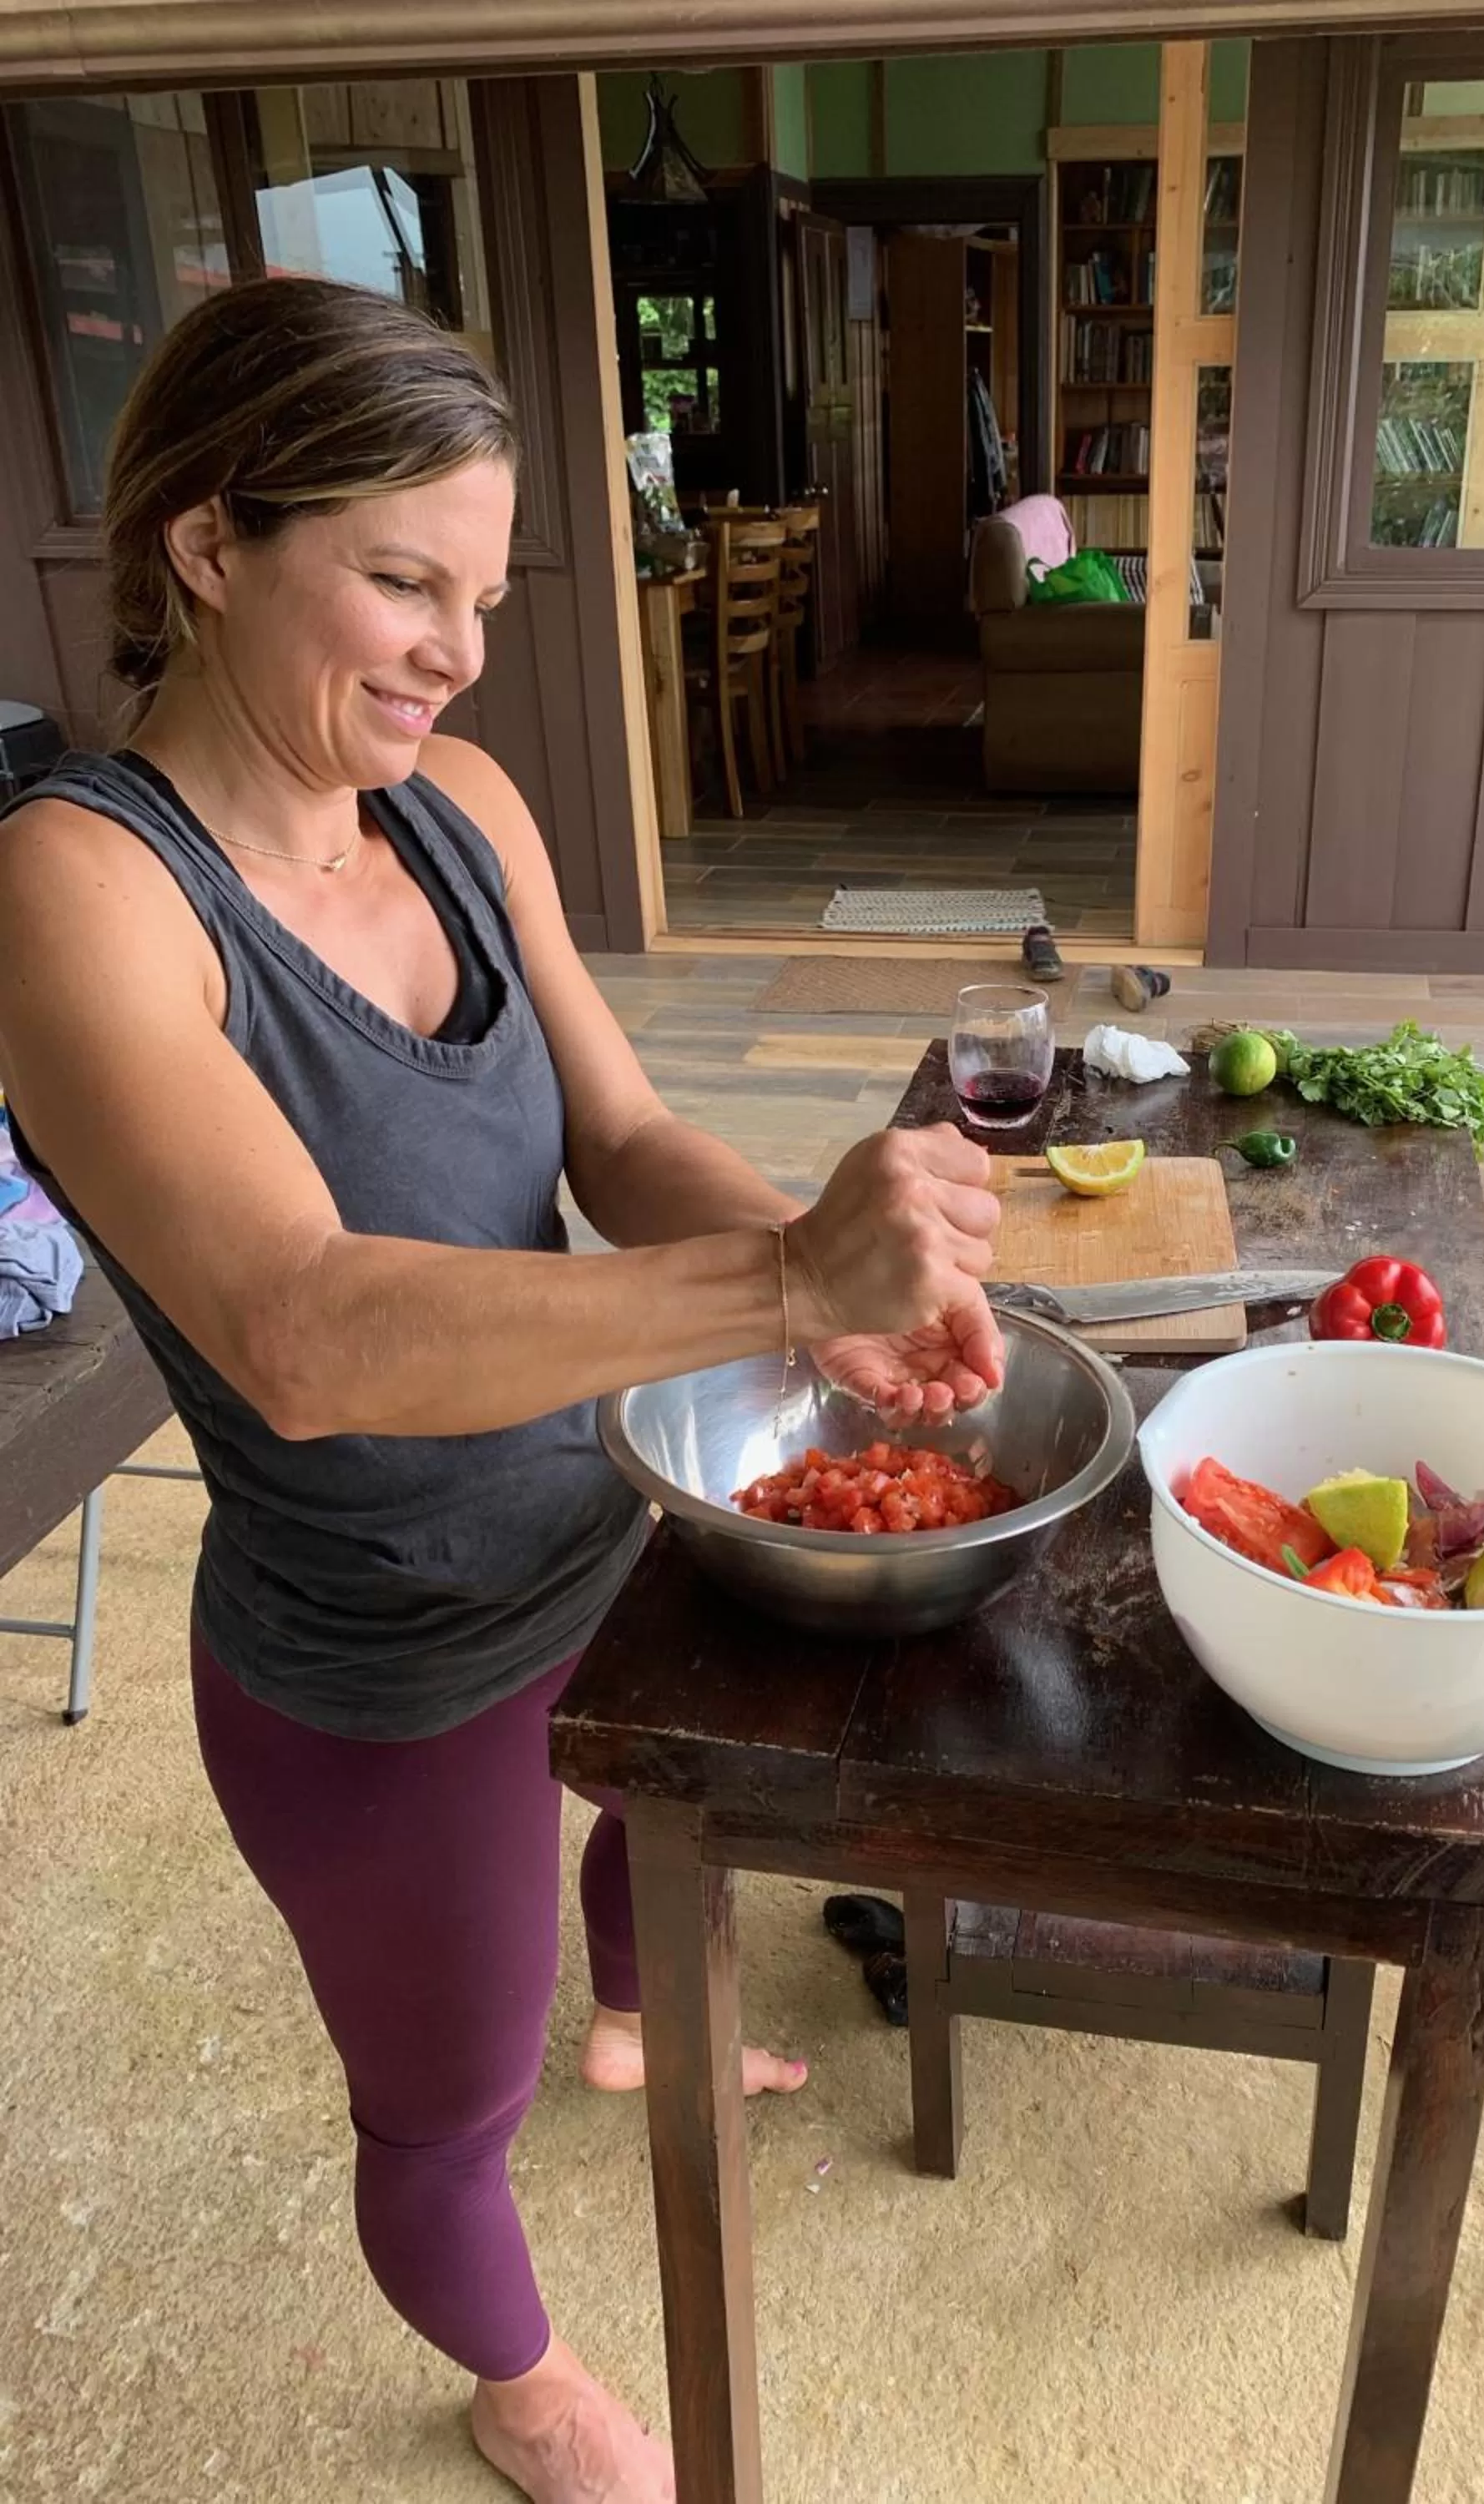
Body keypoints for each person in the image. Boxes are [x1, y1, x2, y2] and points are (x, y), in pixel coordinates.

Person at [0, 276, 1006, 2504]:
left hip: (598, 1513)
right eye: (398, 578)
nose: (459, 648)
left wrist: (804, 1297)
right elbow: (310, 1332)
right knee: (445, 2101)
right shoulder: (85, 889)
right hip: (376, 1652)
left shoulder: (456, 804)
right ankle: (515, 2377)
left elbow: (617, 1138)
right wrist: (776, 1270)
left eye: (479, 589)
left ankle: (642, 2015)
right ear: (204, 542)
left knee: (668, 1833)